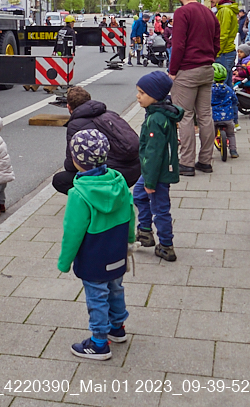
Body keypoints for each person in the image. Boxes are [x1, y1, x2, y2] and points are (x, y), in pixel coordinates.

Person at [56, 129, 135, 361]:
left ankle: (99, 342)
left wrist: (64, 261)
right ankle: (117, 327)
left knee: (96, 295)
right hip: (117, 249)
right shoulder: (119, 181)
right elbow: (130, 211)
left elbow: (73, 231)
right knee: (116, 287)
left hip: (94, 253)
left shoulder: (78, 193)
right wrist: (129, 240)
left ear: (76, 160)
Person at [167, 0, 219, 177]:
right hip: (207, 68)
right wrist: (210, 57)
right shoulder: (208, 12)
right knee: (205, 115)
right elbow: (217, 40)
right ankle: (206, 160)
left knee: (186, 114)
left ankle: (187, 162)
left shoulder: (182, 13)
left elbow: (178, 44)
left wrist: (173, 70)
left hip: (188, 69)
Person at [52, 86, 141, 194]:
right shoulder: (110, 114)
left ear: (69, 107)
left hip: (112, 175)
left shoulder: (75, 125)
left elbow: (71, 165)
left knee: (60, 180)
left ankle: (92, 199)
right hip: (135, 170)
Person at [132, 71, 180, 262]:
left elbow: (154, 153)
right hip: (153, 170)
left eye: (142, 93)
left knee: (160, 208)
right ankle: (144, 231)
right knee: (138, 194)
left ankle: (166, 245)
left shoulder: (156, 120)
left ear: (155, 96)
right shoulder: (158, 113)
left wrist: (150, 181)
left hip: (157, 172)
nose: (138, 96)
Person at [208, 0, 238, 86]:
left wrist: (216, 52)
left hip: (223, 53)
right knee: (227, 85)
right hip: (226, 51)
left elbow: (222, 34)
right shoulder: (225, 9)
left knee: (220, 86)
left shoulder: (224, 10)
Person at [211, 64, 238, 159]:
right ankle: (233, 150)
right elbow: (234, 100)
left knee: (211, 136)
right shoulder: (228, 89)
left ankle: (208, 152)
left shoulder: (210, 90)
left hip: (214, 117)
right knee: (230, 134)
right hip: (228, 117)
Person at [51, 14, 77, 105]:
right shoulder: (71, 31)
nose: (74, 24)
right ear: (71, 23)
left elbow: (56, 40)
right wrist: (73, 51)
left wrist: (54, 50)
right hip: (66, 51)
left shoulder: (61, 31)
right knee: (68, 67)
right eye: (73, 22)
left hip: (59, 51)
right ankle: (67, 83)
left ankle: (60, 82)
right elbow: (73, 42)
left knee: (59, 67)